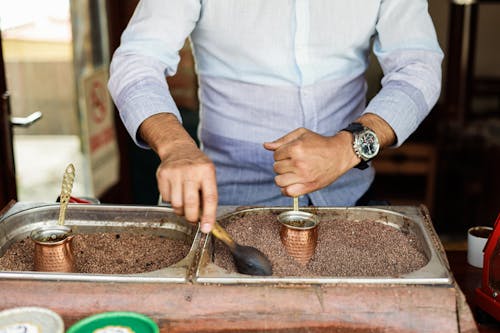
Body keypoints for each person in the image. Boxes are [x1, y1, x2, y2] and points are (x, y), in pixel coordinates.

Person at [108, 0, 443, 234]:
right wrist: (175, 145)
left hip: (349, 199)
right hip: (223, 206)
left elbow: (418, 67)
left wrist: (349, 146)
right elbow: (138, 60)